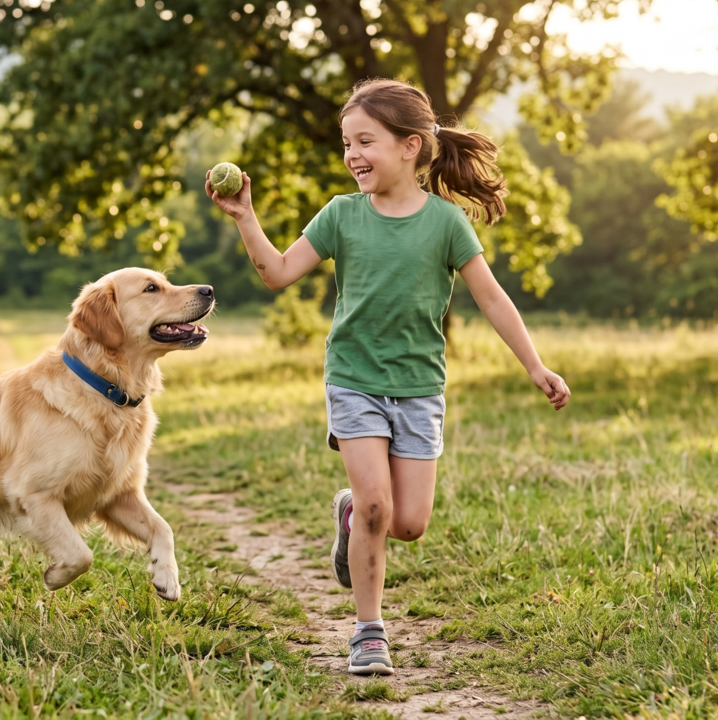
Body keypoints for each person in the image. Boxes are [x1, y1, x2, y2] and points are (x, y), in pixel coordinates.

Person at [205, 78, 571, 676]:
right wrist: (245, 216)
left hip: (420, 388)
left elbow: (493, 299)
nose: (352, 154)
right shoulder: (342, 215)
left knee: (407, 523)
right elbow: (276, 273)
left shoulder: (447, 224)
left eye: (365, 141)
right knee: (381, 506)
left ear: (411, 146)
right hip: (352, 378)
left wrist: (535, 365)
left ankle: (351, 514)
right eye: (347, 142)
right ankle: (369, 631)